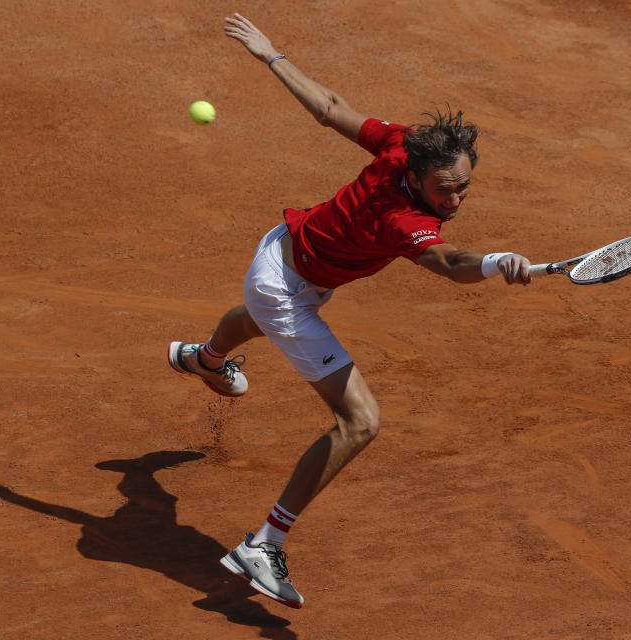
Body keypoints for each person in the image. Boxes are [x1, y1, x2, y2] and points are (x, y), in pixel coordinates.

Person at [168, 13, 532, 609]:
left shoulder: (401, 144)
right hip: (288, 286)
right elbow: (448, 262)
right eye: (445, 190)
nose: (456, 199)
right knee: (361, 421)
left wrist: (272, 55)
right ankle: (265, 542)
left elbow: (330, 108)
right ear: (414, 175)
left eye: (464, 185)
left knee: (260, 315)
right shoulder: (402, 219)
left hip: (283, 254)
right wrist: (495, 263)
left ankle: (205, 358)